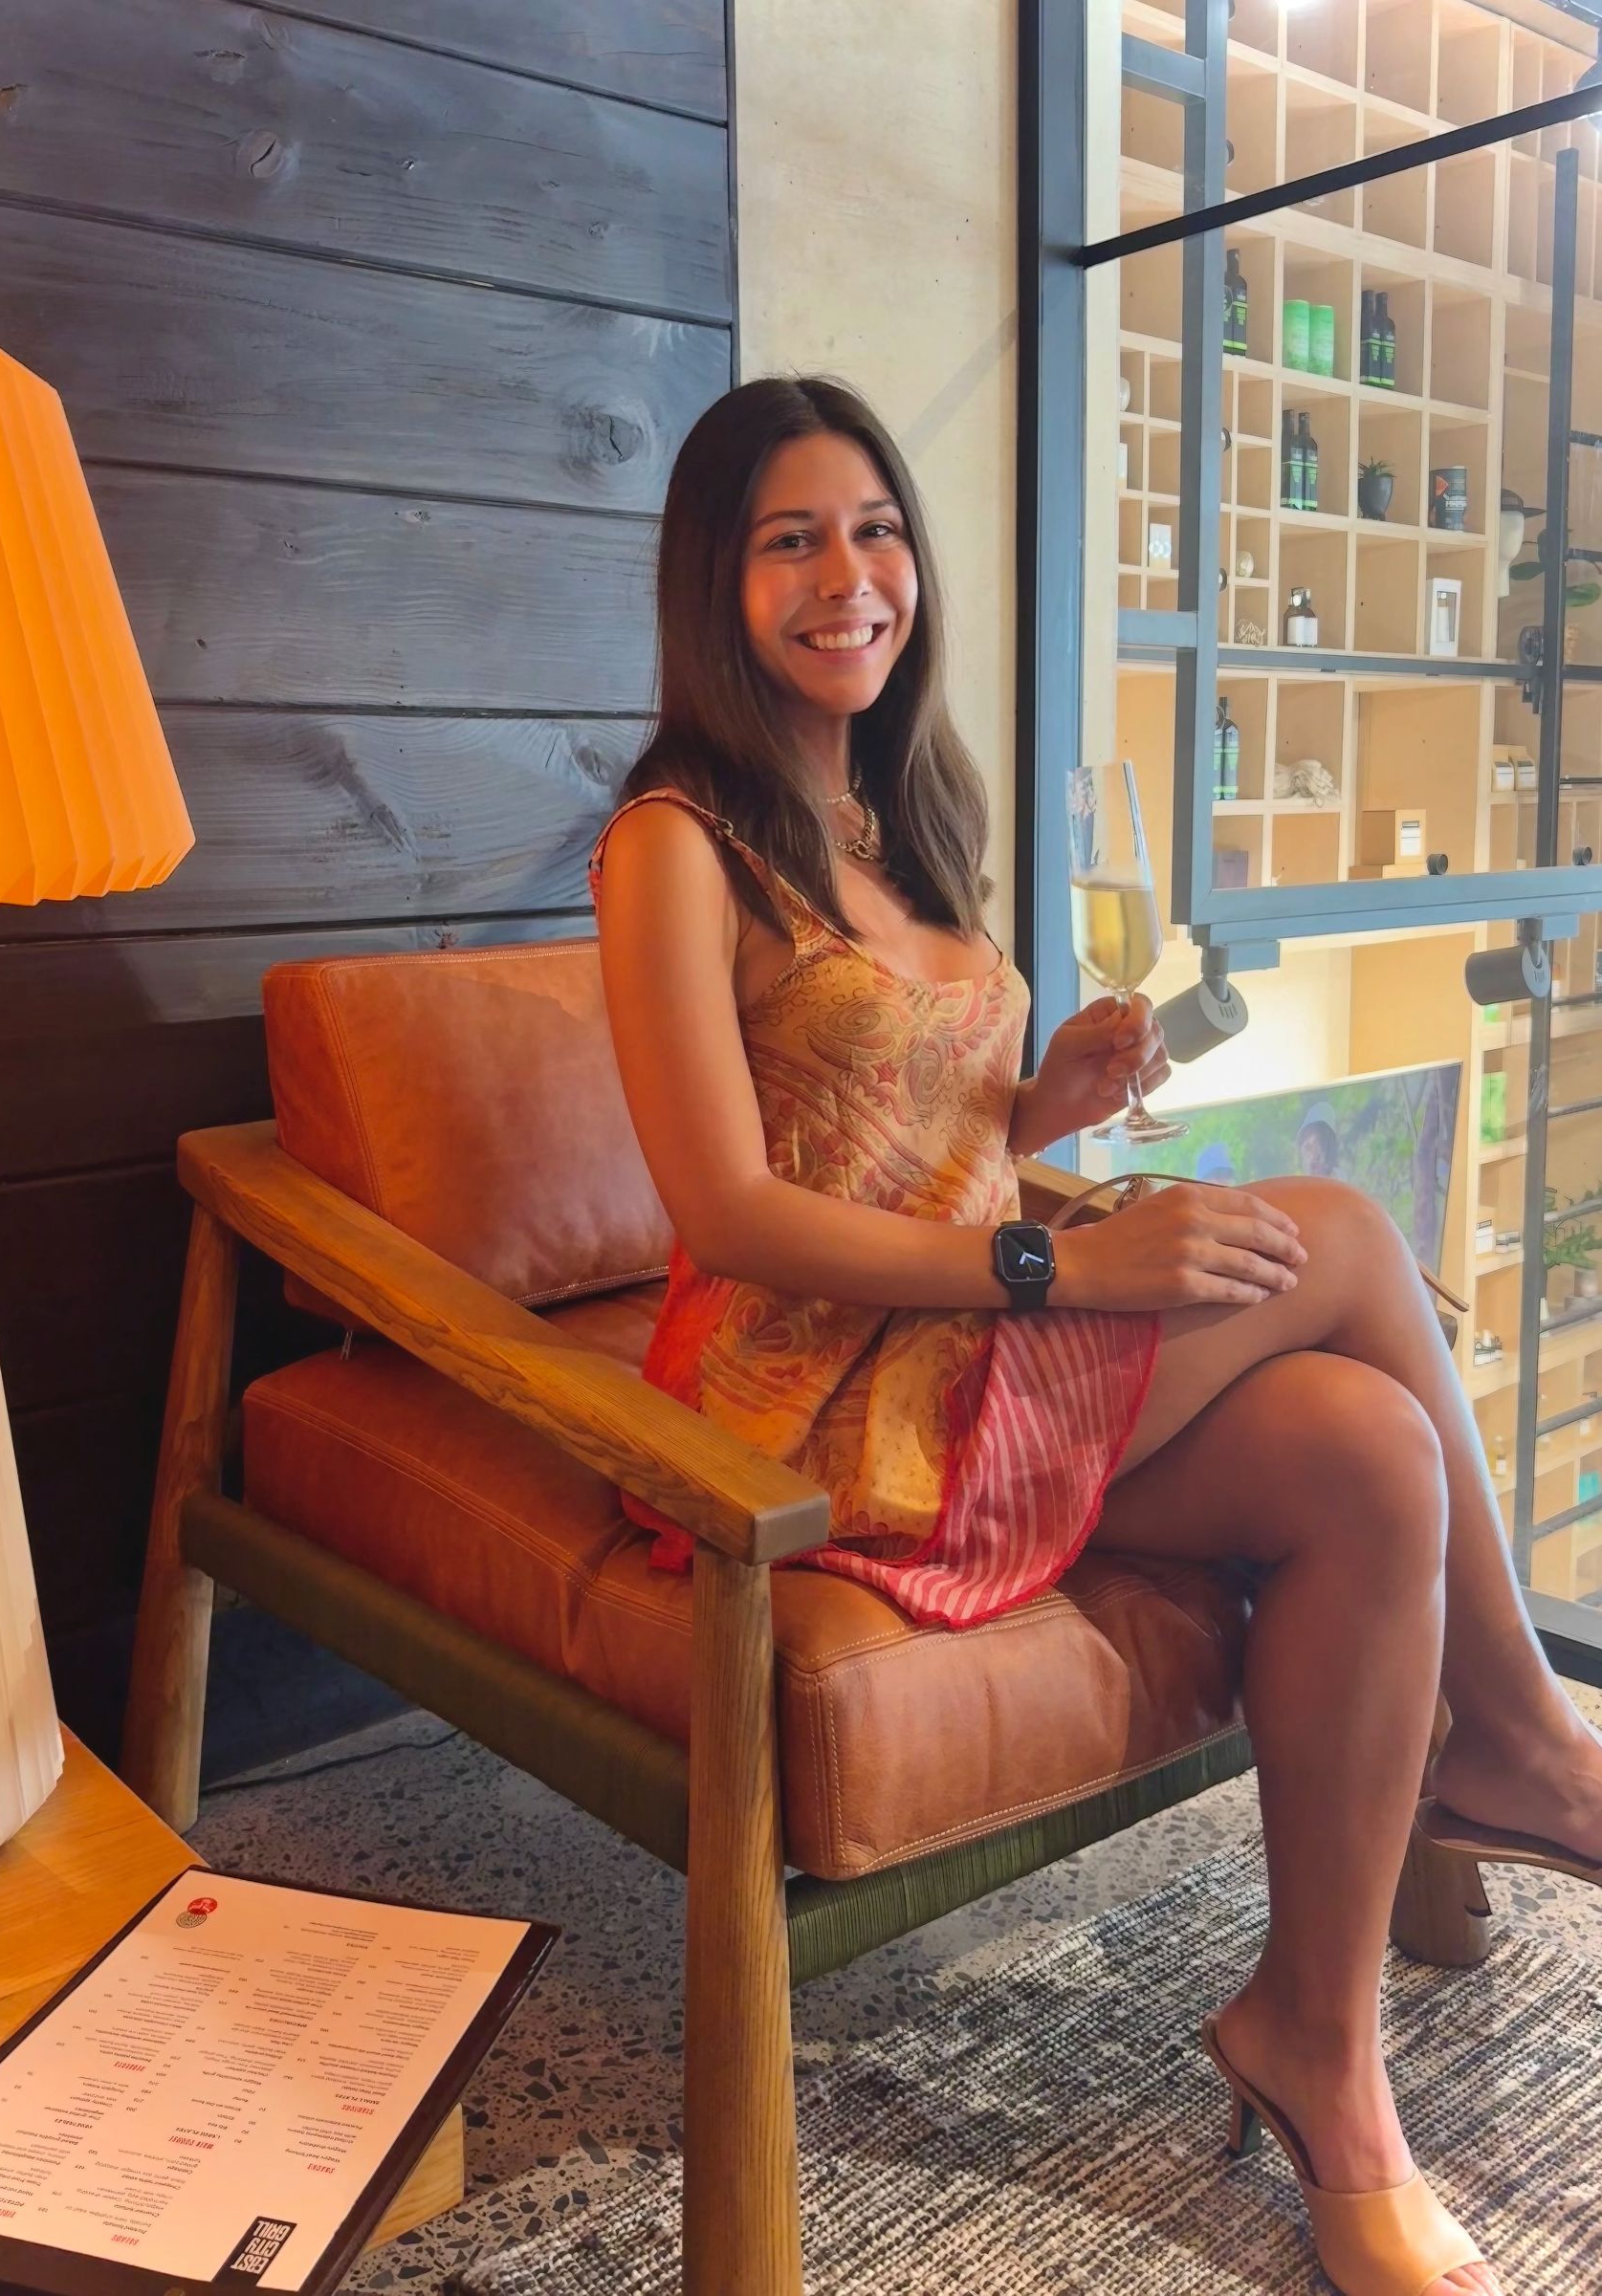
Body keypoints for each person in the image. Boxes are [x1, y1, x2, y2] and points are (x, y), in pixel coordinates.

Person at [588, 374, 1600, 2296]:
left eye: (875, 530)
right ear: (713, 581)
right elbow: (727, 1212)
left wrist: (1040, 1107)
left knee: (1370, 1455)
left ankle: (1316, 2042)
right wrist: (1068, 1268)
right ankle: (1534, 1750)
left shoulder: (894, 814)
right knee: (1352, 1235)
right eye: (791, 537)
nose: (850, 575)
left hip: (961, 1354)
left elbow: (903, 1142)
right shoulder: (676, 843)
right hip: (817, 1410)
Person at [1297, 1099, 1343, 1178]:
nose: (1313, 1156)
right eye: (1308, 1148)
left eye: (1320, 1145)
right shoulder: (1295, 1188)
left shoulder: (1346, 1185)